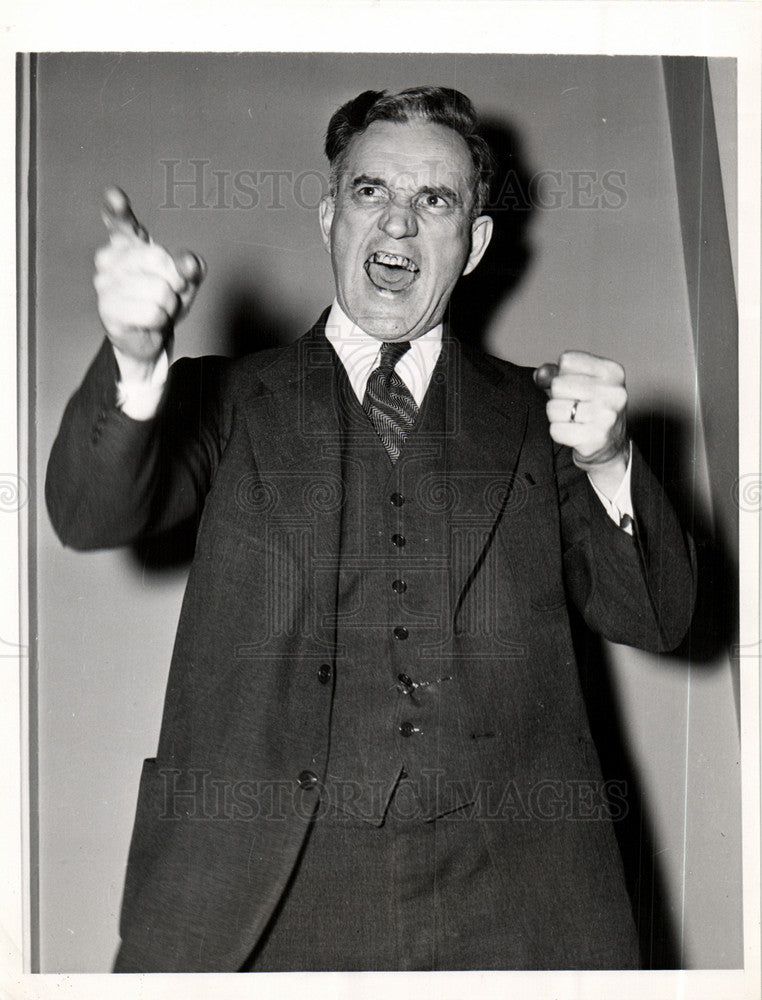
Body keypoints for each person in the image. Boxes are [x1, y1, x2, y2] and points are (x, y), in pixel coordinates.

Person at [46, 86, 695, 972]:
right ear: (328, 216)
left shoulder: (542, 421)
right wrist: (131, 355)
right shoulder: (223, 402)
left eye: (436, 200)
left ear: (475, 245)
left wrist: (611, 462)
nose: (398, 223)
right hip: (263, 902)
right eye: (369, 191)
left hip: (515, 909)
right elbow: (88, 513)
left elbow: (661, 617)